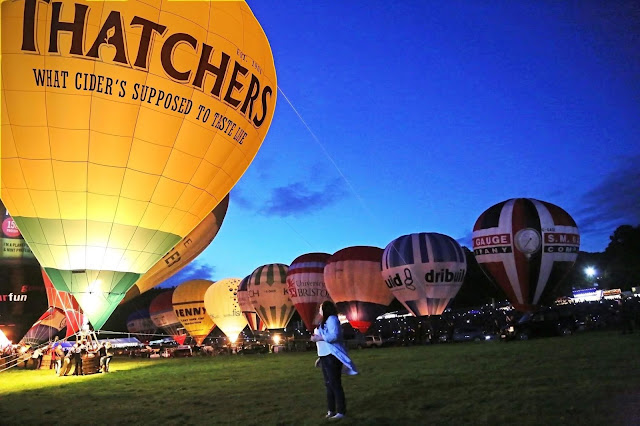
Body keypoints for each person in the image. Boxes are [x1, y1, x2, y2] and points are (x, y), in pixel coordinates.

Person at [311, 301, 358, 421]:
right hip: (325, 356)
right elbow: (323, 341)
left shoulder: (332, 319)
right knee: (328, 384)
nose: (319, 310)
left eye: (321, 308)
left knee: (335, 384)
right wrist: (320, 357)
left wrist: (318, 338)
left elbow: (335, 336)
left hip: (331, 356)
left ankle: (341, 411)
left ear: (326, 309)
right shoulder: (323, 321)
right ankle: (331, 410)